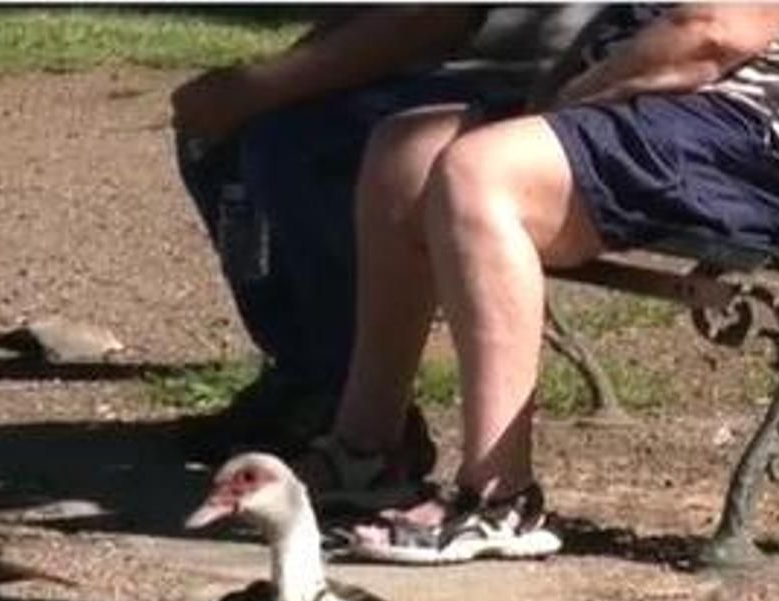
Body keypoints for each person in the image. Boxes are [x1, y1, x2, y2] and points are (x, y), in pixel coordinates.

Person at [290, 2, 779, 564]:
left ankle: (498, 499)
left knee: (482, 174)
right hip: (690, 105)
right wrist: (560, 94)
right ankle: (368, 455)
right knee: (404, 155)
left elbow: (712, 33)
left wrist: (569, 100)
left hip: (774, 139)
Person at [172, 5, 604, 465]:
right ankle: (303, 371)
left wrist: (259, 89)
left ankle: (349, 396)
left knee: (295, 146)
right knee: (220, 138)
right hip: (441, 71)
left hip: (536, 90)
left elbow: (429, 20)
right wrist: (253, 86)